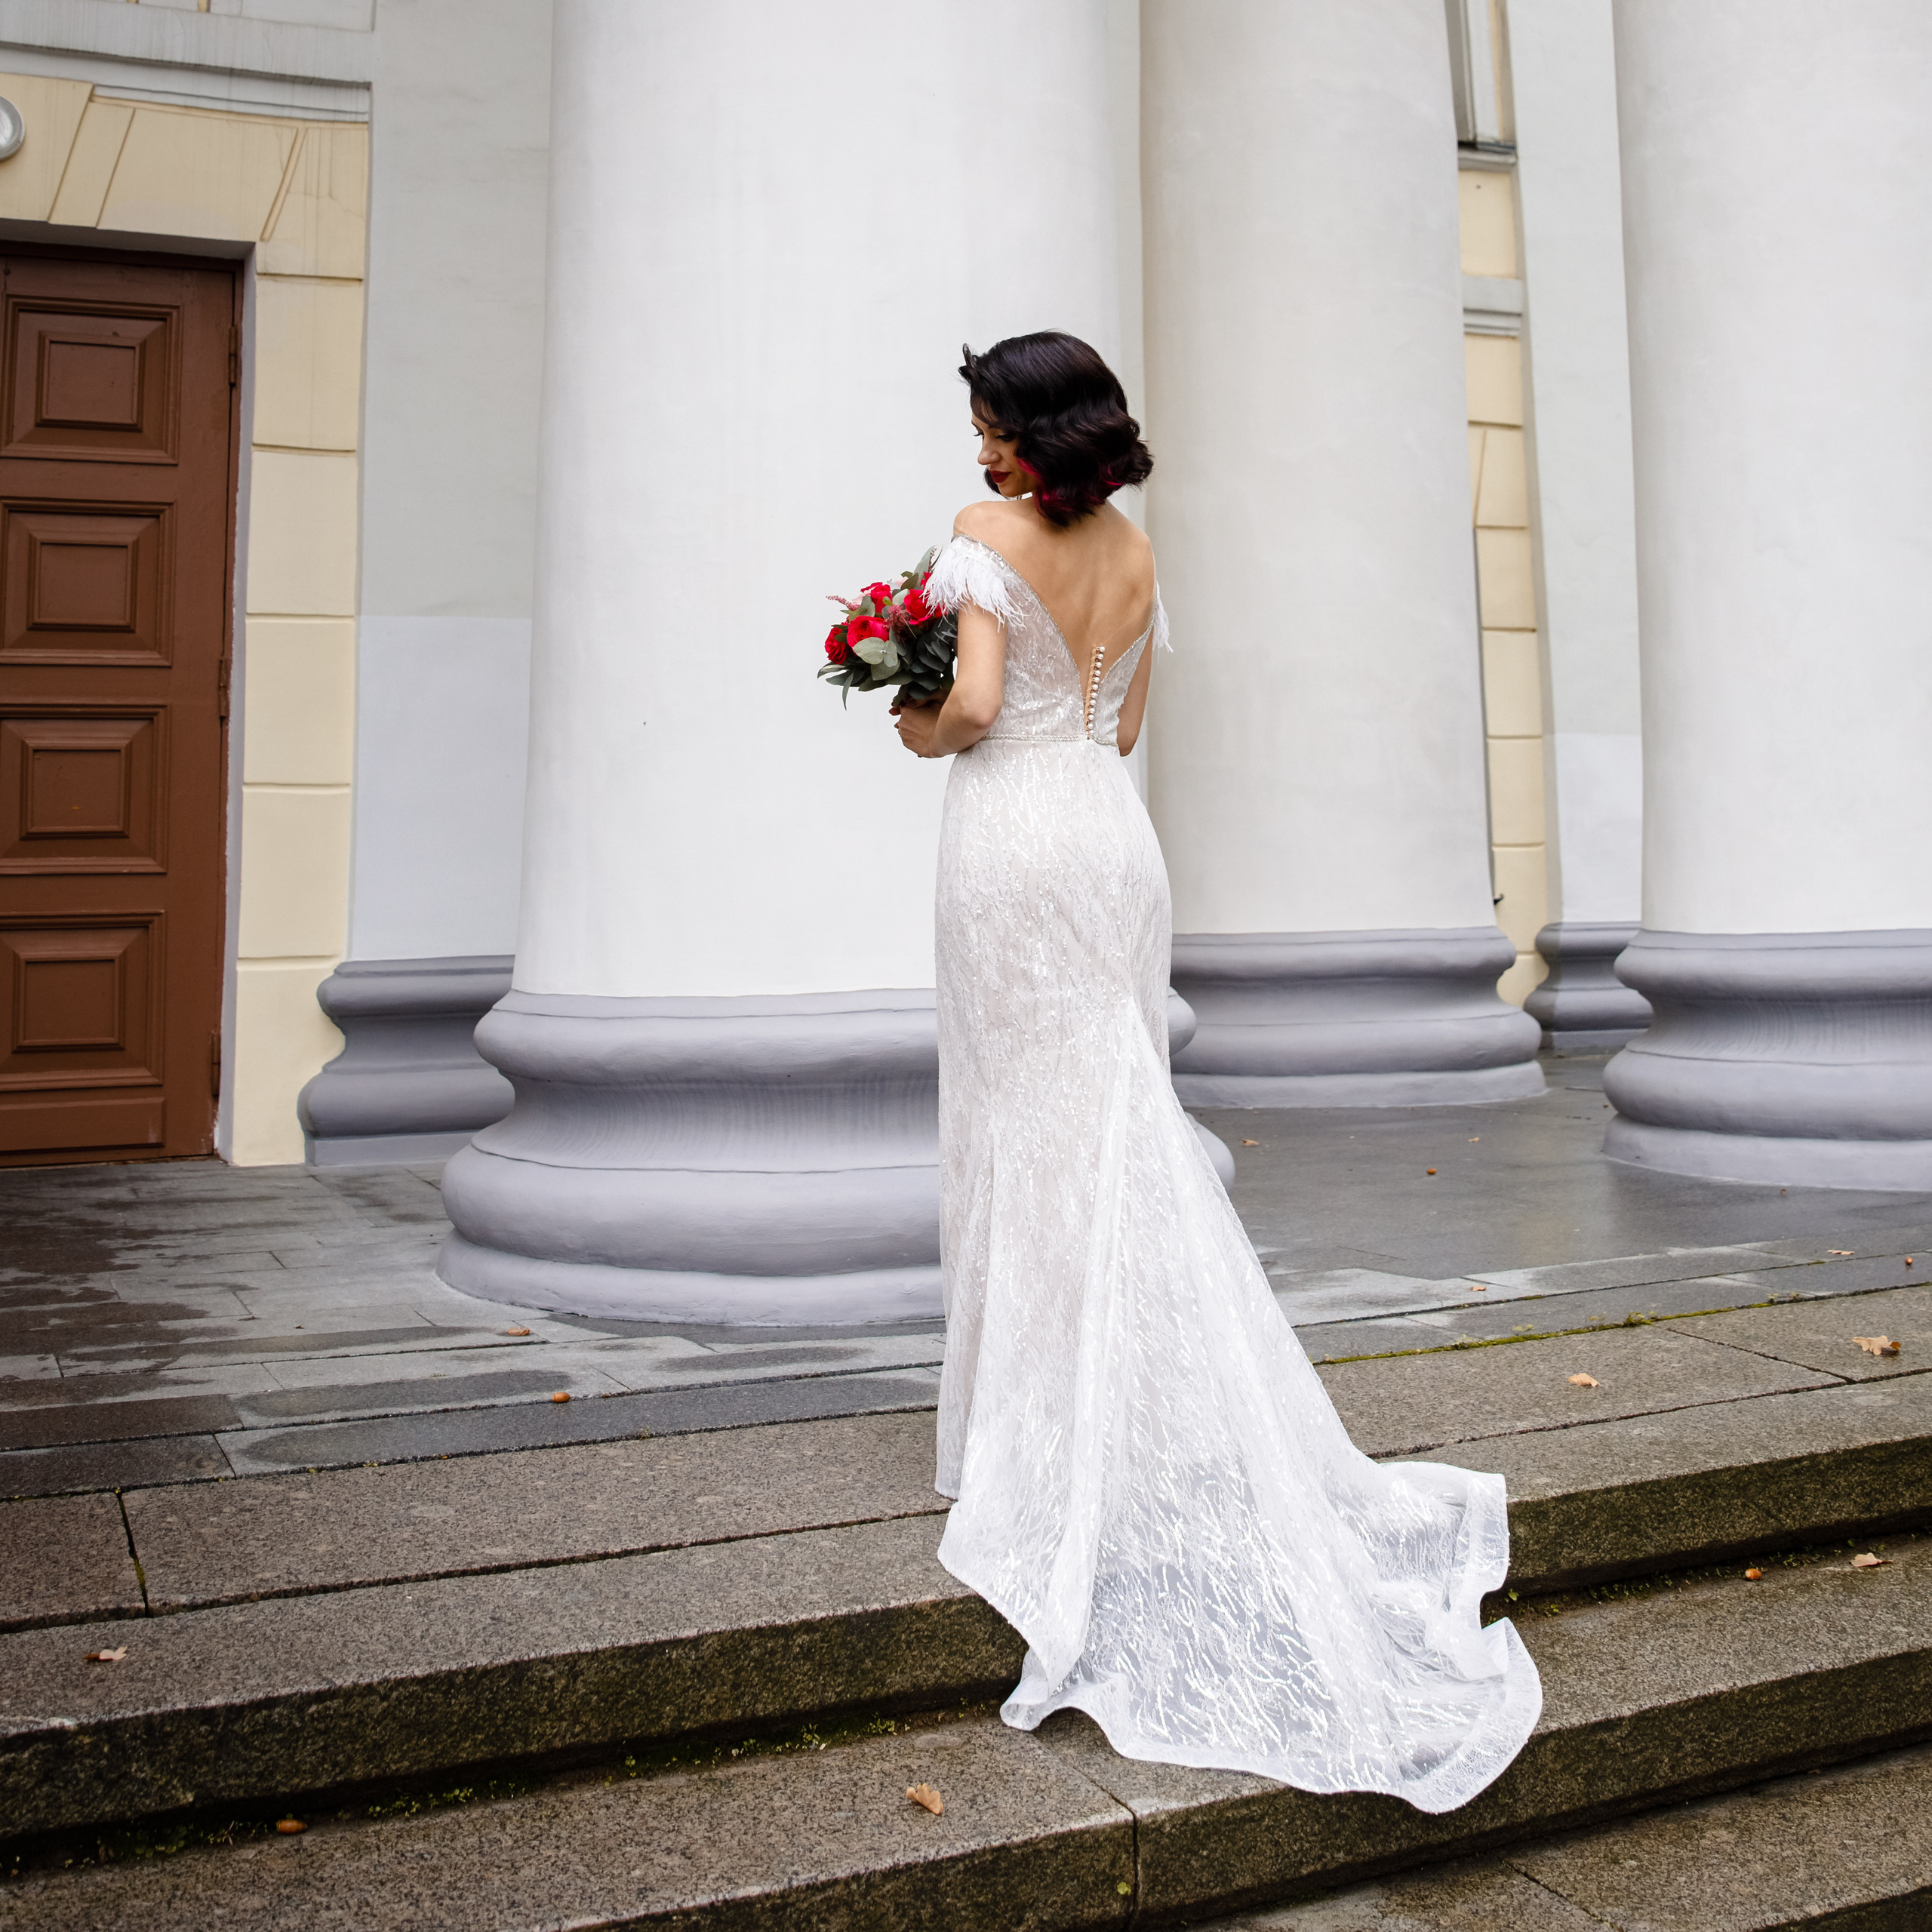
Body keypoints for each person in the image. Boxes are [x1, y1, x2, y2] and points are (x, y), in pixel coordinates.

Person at [888, 331, 1541, 1813]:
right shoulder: (1134, 551)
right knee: (1106, 1120)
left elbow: (975, 711)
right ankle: (1095, 1406)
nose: (981, 455)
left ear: (1036, 430)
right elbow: (1117, 723)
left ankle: (1032, 1435)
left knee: (1025, 1127)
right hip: (1112, 844)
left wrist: (907, 707)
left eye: (992, 427)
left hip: (1012, 846)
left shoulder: (982, 542)